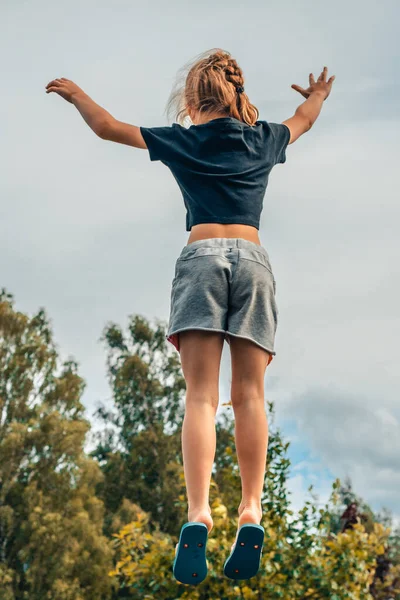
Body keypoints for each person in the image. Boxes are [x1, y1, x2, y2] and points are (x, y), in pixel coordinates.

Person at [45, 48, 335, 585]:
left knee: (200, 395)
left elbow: (108, 128)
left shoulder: (185, 139)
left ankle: (199, 510)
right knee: (249, 394)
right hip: (253, 263)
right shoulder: (264, 138)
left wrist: (77, 95)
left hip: (201, 259)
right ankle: (251, 508)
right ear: (237, 97)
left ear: (193, 101)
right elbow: (304, 121)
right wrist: (318, 95)